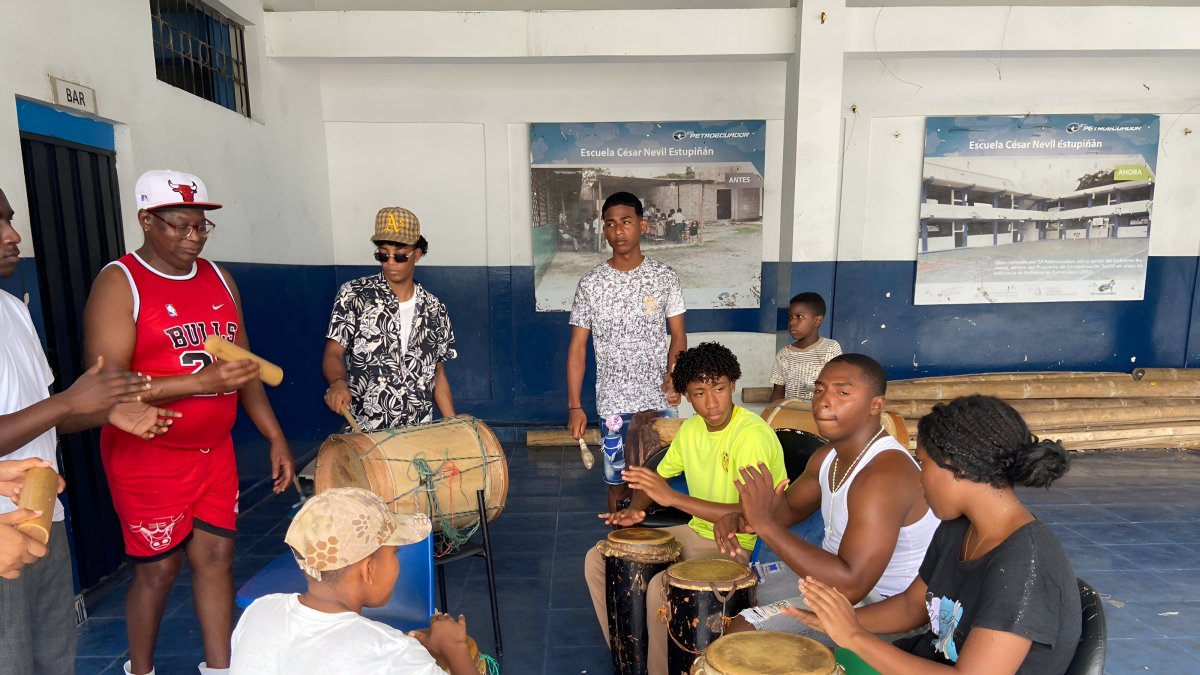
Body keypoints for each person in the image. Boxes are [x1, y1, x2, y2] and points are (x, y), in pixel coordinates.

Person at [84, 170, 296, 675]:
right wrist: (197, 384)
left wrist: (274, 435)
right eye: (179, 226)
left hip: (213, 451)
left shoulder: (220, 279)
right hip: (147, 454)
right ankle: (141, 669)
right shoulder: (121, 283)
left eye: (201, 227)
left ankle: (222, 669)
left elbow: (241, 368)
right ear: (146, 220)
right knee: (159, 570)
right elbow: (101, 389)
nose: (193, 238)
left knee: (218, 558)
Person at [0, 185, 180, 674]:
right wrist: (68, 402)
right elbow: (57, 406)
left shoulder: (13, 310)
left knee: (54, 656)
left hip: (41, 513)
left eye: (10, 219)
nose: (13, 235)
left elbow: (46, 414)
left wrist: (101, 411)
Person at [789, 395, 1082, 675]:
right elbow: (912, 606)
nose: (919, 477)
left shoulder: (1026, 566)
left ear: (958, 468)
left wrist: (853, 635)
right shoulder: (959, 526)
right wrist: (834, 620)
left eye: (923, 464)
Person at [584, 342, 786, 675]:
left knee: (659, 589)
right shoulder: (691, 430)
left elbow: (751, 516)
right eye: (700, 393)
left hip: (741, 545)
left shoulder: (751, 436)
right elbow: (654, 478)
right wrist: (636, 510)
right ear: (687, 397)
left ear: (732, 383)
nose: (712, 401)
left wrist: (673, 498)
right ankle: (630, 658)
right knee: (599, 559)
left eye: (719, 388)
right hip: (697, 532)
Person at [717, 354, 938, 639]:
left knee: (743, 631)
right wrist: (739, 518)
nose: (824, 401)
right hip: (834, 584)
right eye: (819, 390)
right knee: (737, 587)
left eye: (843, 393)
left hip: (884, 608)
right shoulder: (827, 458)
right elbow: (784, 511)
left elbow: (851, 585)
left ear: (876, 405)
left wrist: (765, 525)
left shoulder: (883, 475)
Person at [230, 487, 477, 675]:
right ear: (368, 568)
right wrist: (454, 649)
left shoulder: (257, 612)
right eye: (395, 553)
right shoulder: (391, 654)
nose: (397, 562)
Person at [566, 191, 687, 512]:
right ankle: (621, 555)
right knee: (617, 485)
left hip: (659, 402)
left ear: (642, 226)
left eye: (626, 222)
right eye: (610, 224)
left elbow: (678, 335)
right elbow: (577, 348)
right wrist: (575, 406)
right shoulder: (591, 283)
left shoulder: (664, 277)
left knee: (663, 483)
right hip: (614, 405)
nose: (618, 231)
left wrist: (674, 377)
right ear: (603, 230)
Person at [323, 207, 457, 432]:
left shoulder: (435, 309)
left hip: (418, 439)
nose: (391, 262)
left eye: (400, 255)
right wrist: (337, 383)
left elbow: (438, 373)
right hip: (365, 435)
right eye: (383, 254)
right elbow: (333, 352)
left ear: (417, 253)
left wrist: (453, 424)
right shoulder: (354, 295)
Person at [769, 292, 842, 403]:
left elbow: (837, 388)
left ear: (817, 320)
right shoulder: (784, 354)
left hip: (820, 416)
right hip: (790, 416)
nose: (792, 322)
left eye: (799, 317)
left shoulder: (830, 349)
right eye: (790, 317)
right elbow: (778, 392)